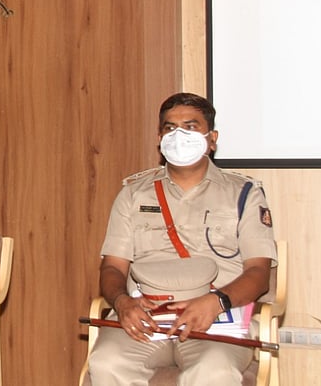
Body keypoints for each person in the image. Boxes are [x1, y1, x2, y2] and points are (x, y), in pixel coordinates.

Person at [87, 92, 277, 385]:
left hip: (217, 317)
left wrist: (216, 302)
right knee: (106, 362)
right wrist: (122, 302)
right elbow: (112, 266)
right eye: (170, 128)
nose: (179, 136)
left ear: (212, 139)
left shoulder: (244, 194)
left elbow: (259, 273)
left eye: (190, 127)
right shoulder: (133, 194)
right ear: (160, 139)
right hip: (146, 317)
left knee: (213, 370)